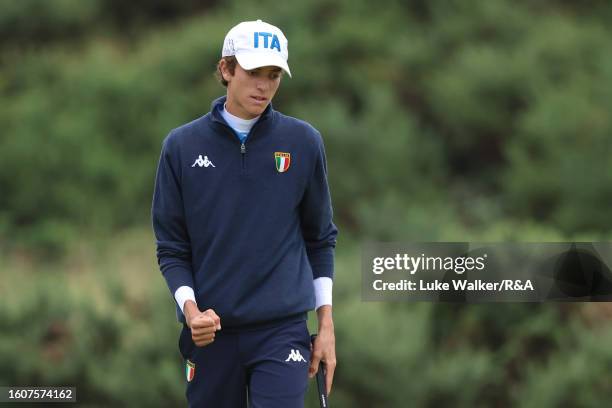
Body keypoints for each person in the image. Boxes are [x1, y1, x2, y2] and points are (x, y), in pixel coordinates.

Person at [151, 19, 338, 407]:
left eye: (273, 75)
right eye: (254, 73)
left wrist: (325, 324)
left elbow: (320, 238)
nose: (264, 85)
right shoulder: (181, 147)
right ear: (226, 69)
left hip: (282, 330)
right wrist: (191, 311)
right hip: (210, 334)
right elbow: (171, 247)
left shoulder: (303, 141)